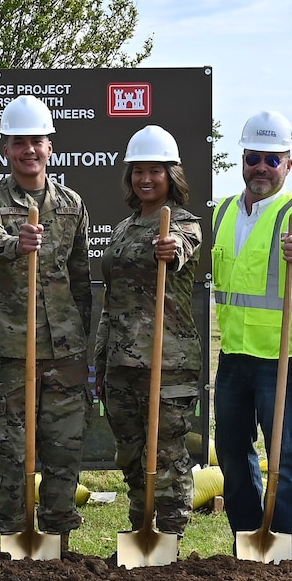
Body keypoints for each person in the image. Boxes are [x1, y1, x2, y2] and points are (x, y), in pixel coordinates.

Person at [0, 94, 94, 550]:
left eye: (36, 141)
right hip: (9, 352)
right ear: (6, 149)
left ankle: (56, 544)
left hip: (63, 351)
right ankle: (13, 545)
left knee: (63, 450)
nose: (28, 151)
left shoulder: (73, 204)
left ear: (50, 146)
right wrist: (15, 243)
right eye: (19, 143)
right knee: (11, 454)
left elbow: (80, 278)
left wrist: (82, 339)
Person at [211, 110, 292, 546]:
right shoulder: (222, 213)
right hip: (235, 357)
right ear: (242, 159)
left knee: (286, 458)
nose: (261, 166)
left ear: (288, 164)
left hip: (285, 359)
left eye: (272, 159)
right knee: (233, 456)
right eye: (254, 157)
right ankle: (247, 537)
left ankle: (283, 549)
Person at [93, 125, 203, 537]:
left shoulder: (183, 224)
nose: (146, 178)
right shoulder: (122, 230)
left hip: (166, 361)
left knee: (168, 453)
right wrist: (101, 362)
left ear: (170, 175)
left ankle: (170, 539)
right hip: (121, 364)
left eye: (155, 170)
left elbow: (179, 247)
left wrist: (169, 248)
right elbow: (112, 301)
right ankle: (141, 531)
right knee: (132, 456)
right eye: (138, 170)